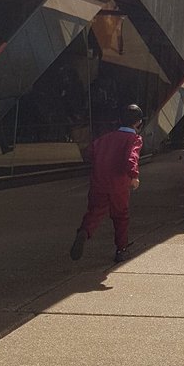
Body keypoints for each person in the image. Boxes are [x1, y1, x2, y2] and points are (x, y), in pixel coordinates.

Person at [70, 104, 143, 263]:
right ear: (138, 123)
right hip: (119, 184)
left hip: (99, 182)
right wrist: (134, 176)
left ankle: (85, 231)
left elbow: (89, 152)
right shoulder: (134, 139)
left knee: (94, 211)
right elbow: (132, 158)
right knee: (121, 216)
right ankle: (121, 248)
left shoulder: (105, 138)